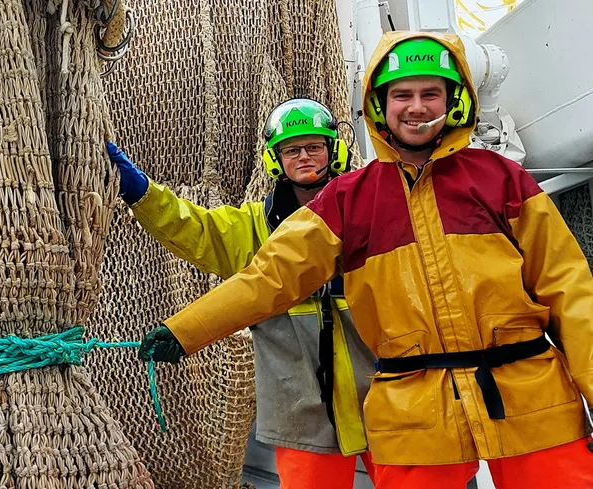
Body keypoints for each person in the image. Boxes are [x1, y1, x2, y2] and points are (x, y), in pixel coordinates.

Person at [136, 31, 593, 489]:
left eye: (431, 92)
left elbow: (571, 293)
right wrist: (186, 331)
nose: (416, 107)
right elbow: (268, 276)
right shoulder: (347, 201)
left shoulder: (503, 179)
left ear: (454, 101)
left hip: (534, 400)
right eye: (401, 95)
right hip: (413, 415)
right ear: (378, 105)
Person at [107, 98, 377, 489]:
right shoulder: (254, 226)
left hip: (385, 396)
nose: (304, 157)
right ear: (275, 158)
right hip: (302, 409)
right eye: (291, 149)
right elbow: (196, 230)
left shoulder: (372, 210)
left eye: (315, 146)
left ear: (334, 150)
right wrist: (142, 193)